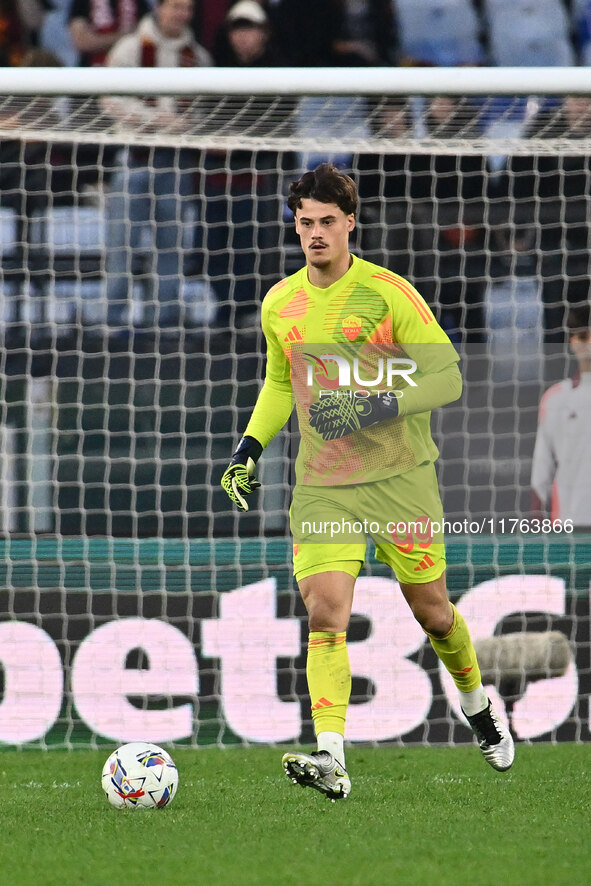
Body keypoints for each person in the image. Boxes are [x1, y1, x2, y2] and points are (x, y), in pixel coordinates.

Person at [221, 163, 514, 800]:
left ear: (350, 223)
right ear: (295, 228)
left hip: (401, 479)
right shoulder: (280, 303)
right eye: (306, 224)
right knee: (325, 615)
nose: (317, 233)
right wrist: (249, 447)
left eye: (328, 221)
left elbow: (448, 379)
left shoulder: (388, 293)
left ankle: (478, 706)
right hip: (323, 484)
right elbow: (280, 384)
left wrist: (371, 405)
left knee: (433, 614)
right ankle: (331, 755)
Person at [101, 0, 212, 331]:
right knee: (122, 243)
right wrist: (155, 121)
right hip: (134, 157)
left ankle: (164, 322)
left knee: (171, 245)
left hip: (176, 160)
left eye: (187, 9)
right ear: (159, 9)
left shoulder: (198, 57)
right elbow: (109, 98)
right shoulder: (130, 47)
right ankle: (113, 323)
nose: (181, 14)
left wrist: (182, 124)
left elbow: (206, 110)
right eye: (175, 7)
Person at [492, 96, 591, 345]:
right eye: (578, 99)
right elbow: (515, 180)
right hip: (552, 241)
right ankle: (556, 375)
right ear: (566, 100)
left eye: (588, 100)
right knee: (555, 312)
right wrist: (516, 233)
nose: (583, 105)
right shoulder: (543, 128)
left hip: (587, 239)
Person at [531, 302, 591, 529]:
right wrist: (536, 522)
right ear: (572, 341)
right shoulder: (555, 399)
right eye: (584, 336)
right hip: (569, 523)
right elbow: (541, 470)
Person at [68, 0, 150, 67]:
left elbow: (148, 38)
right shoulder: (82, 2)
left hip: (128, 73)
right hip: (92, 74)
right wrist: (125, 37)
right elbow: (82, 41)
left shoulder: (140, 3)